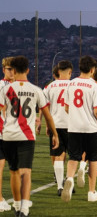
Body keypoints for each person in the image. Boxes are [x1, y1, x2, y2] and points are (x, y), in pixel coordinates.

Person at [0, 56, 59, 216]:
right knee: (26, 171)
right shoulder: (36, 90)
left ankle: (17, 205)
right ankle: (24, 208)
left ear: (13, 69)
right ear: (27, 70)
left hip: (8, 135)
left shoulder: (5, 90)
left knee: (13, 171)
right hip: (26, 136)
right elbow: (47, 116)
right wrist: (54, 134)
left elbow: (1, 111)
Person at [61, 55, 97, 203]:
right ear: (92, 70)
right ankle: (91, 192)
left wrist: (75, 115)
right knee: (92, 159)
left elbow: (67, 107)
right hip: (90, 127)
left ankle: (69, 179)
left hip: (73, 127)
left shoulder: (71, 84)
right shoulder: (95, 86)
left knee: (73, 157)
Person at [43, 60, 73, 197]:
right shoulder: (74, 85)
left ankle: (60, 186)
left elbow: (44, 107)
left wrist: (45, 125)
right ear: (70, 72)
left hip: (56, 125)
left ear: (58, 71)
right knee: (73, 156)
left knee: (58, 156)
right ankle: (70, 181)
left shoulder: (50, 87)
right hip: (73, 125)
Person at [0, 57, 14, 212]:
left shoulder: (18, 86)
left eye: (14, 69)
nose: (12, 72)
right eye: (9, 69)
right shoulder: (1, 85)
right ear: (4, 69)